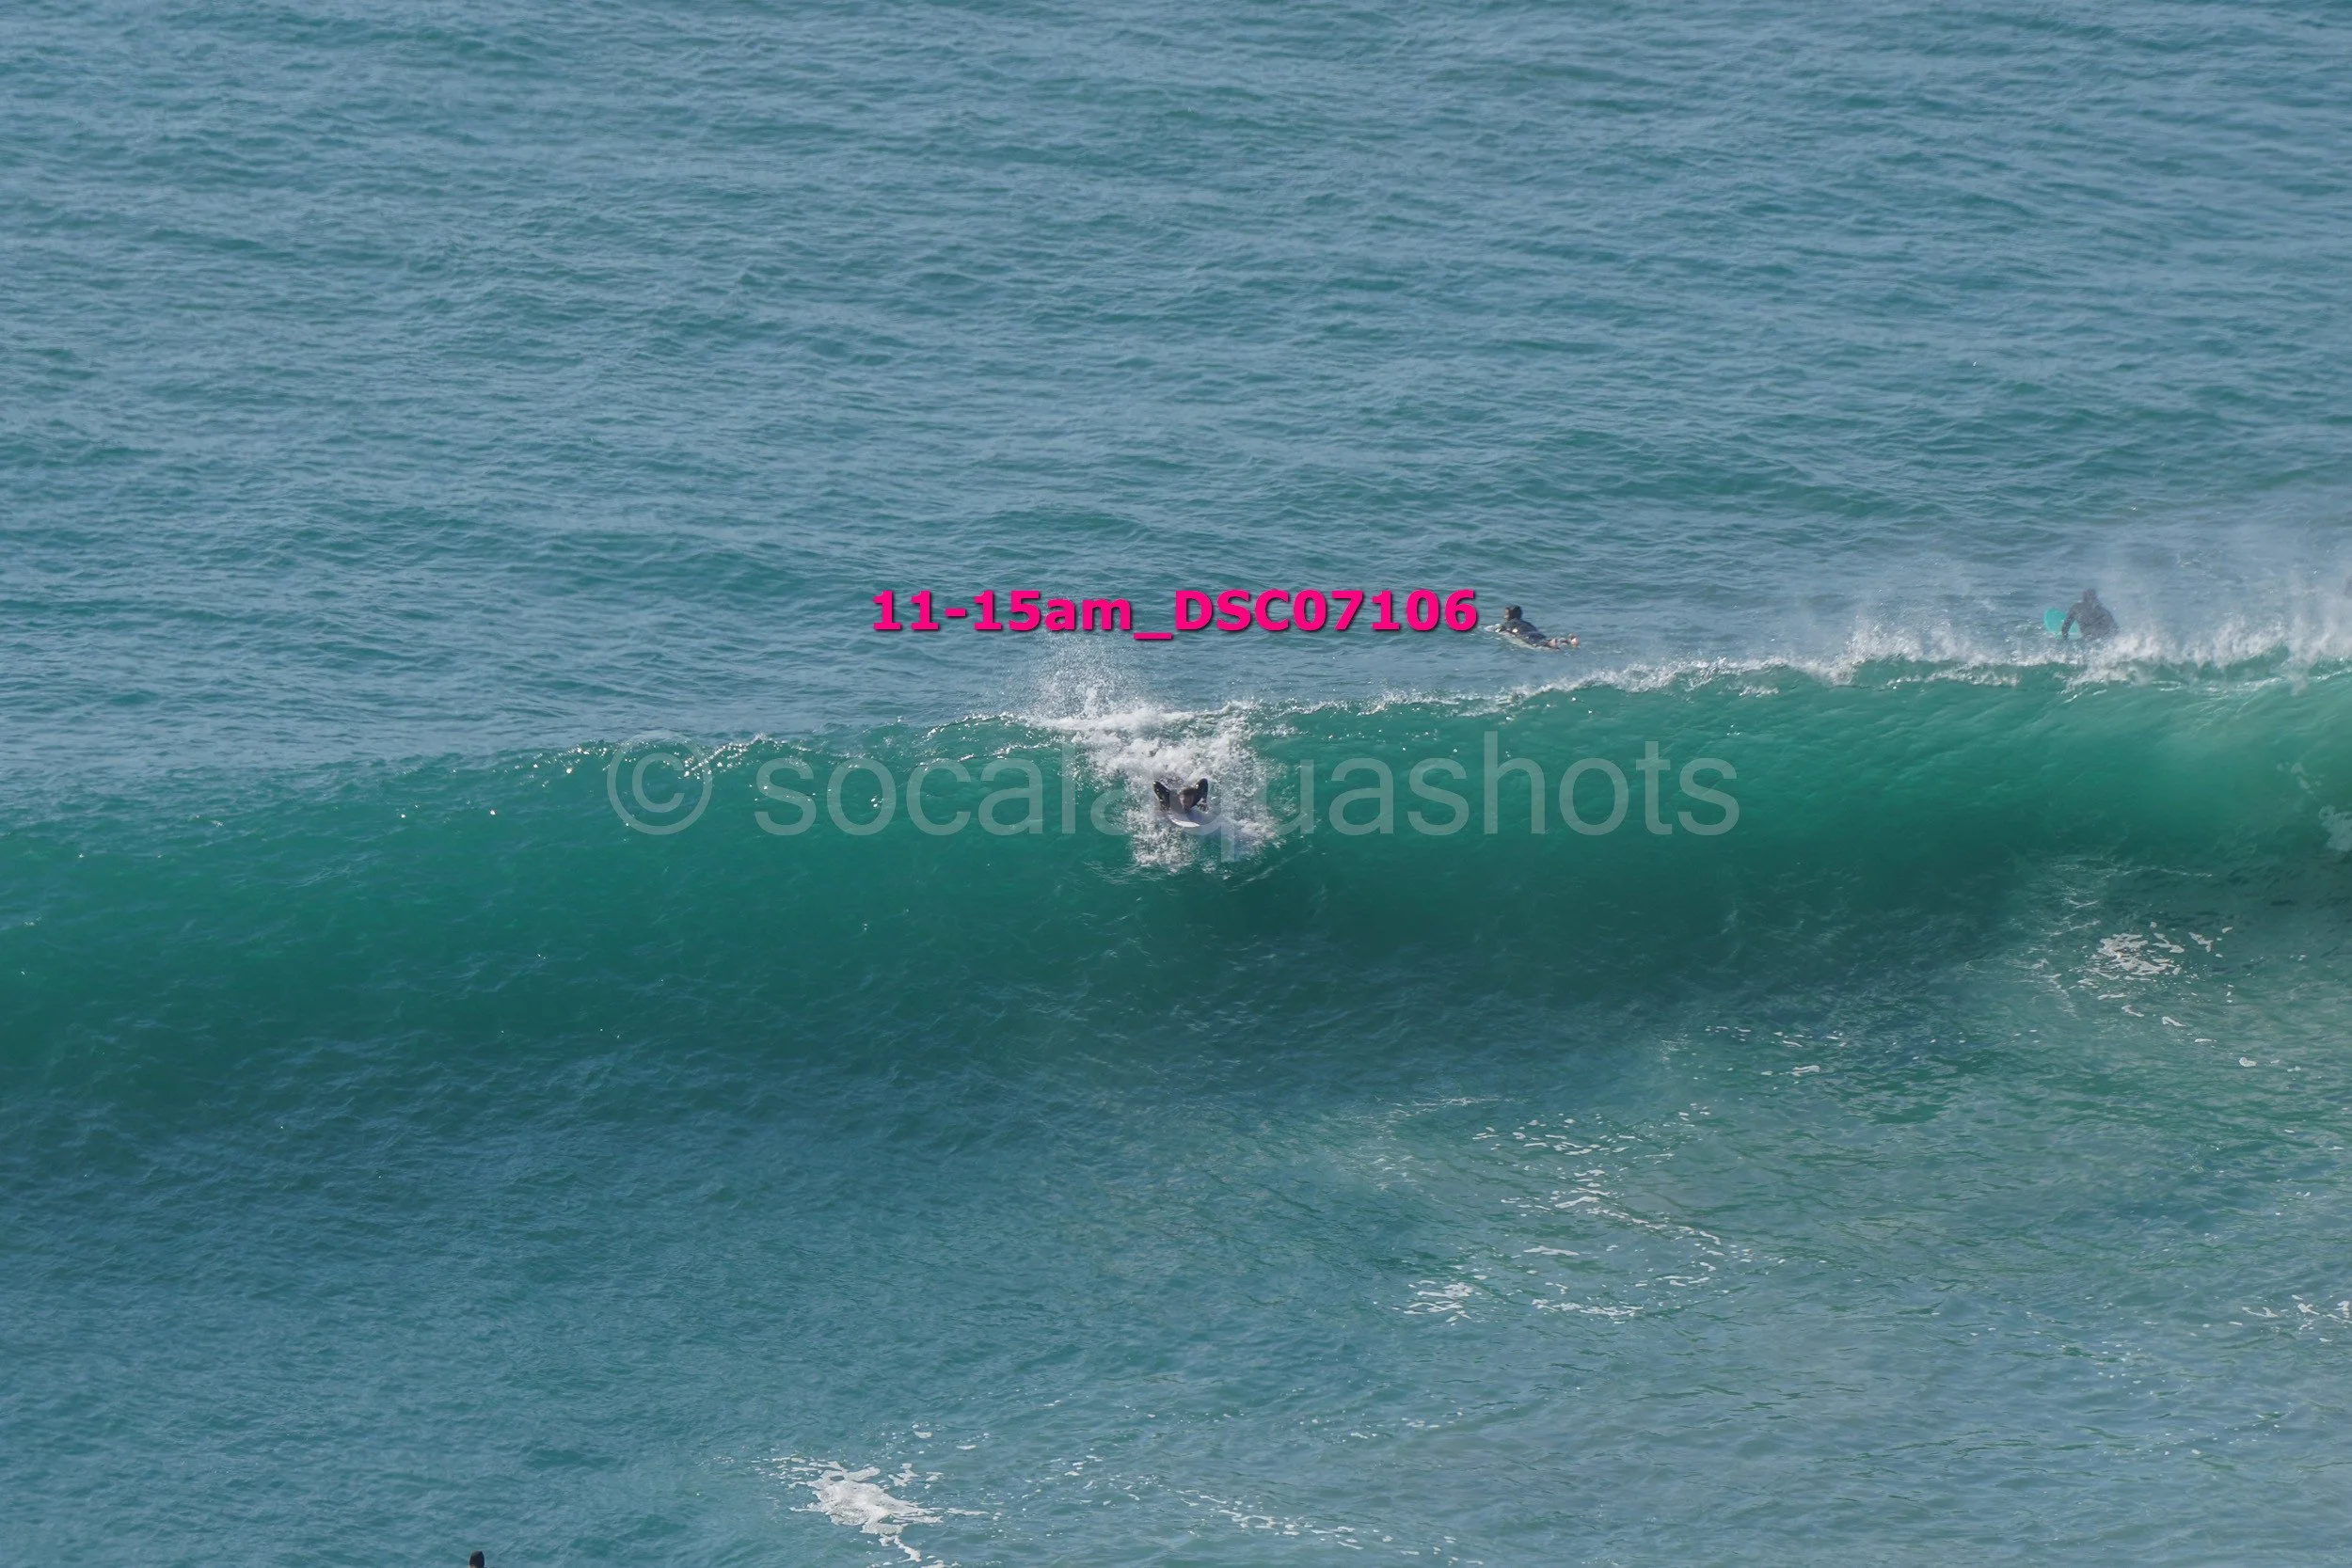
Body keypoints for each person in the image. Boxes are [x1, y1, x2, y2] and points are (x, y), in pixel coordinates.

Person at [1498, 605, 1577, 649]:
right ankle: (1569, 641)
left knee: (1537, 643)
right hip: (1536, 633)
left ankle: (1550, 644)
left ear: (1510, 616)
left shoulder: (1509, 623)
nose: (1504, 617)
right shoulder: (1527, 623)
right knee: (1544, 639)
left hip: (1527, 636)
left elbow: (1500, 630)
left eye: (1506, 614)